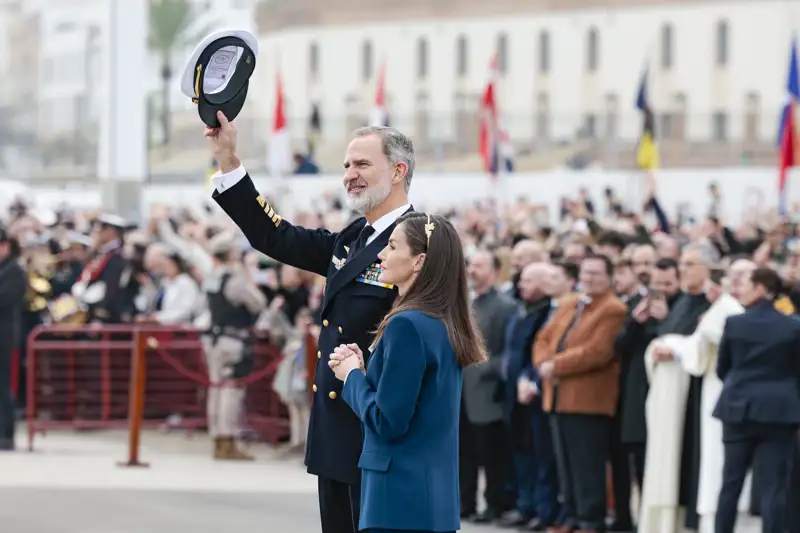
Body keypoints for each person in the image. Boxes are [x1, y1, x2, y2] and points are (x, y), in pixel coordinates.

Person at [205, 110, 414, 533]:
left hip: (376, 425)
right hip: (337, 430)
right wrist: (229, 160)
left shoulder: (423, 238)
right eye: (346, 166)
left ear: (397, 171)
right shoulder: (355, 237)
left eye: (361, 164)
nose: (349, 175)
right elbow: (274, 235)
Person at [327, 213, 486, 533]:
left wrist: (351, 377)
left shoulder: (407, 324)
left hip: (398, 497)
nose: (382, 254)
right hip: (429, 495)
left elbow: (388, 421)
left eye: (392, 246)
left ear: (419, 261)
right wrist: (364, 370)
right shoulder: (441, 321)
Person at [533, 253, 628, 533]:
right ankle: (571, 517)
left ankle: (590, 520)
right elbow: (544, 338)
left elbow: (597, 352)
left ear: (609, 276)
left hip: (587, 400)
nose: (589, 279)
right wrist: (543, 363)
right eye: (586, 273)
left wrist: (555, 365)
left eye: (596, 273)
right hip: (558, 397)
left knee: (588, 467)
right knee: (566, 467)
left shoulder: (613, 309)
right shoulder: (570, 303)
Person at [713, 267, 800, 533]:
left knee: (731, 482)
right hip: (780, 411)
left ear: (760, 288)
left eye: (747, 284)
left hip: (738, 407)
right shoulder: (793, 326)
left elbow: (722, 368)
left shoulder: (735, 323)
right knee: (774, 485)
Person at [194, 234, 267, 460]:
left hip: (213, 339)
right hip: (233, 340)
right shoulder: (234, 280)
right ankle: (228, 439)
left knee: (216, 389)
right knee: (231, 390)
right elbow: (257, 303)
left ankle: (217, 438)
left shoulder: (211, 280)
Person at [0, 229, 26, 451]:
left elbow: (5, 299)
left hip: (3, 336)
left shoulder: (14, 271)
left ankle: (5, 434)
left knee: (2, 386)